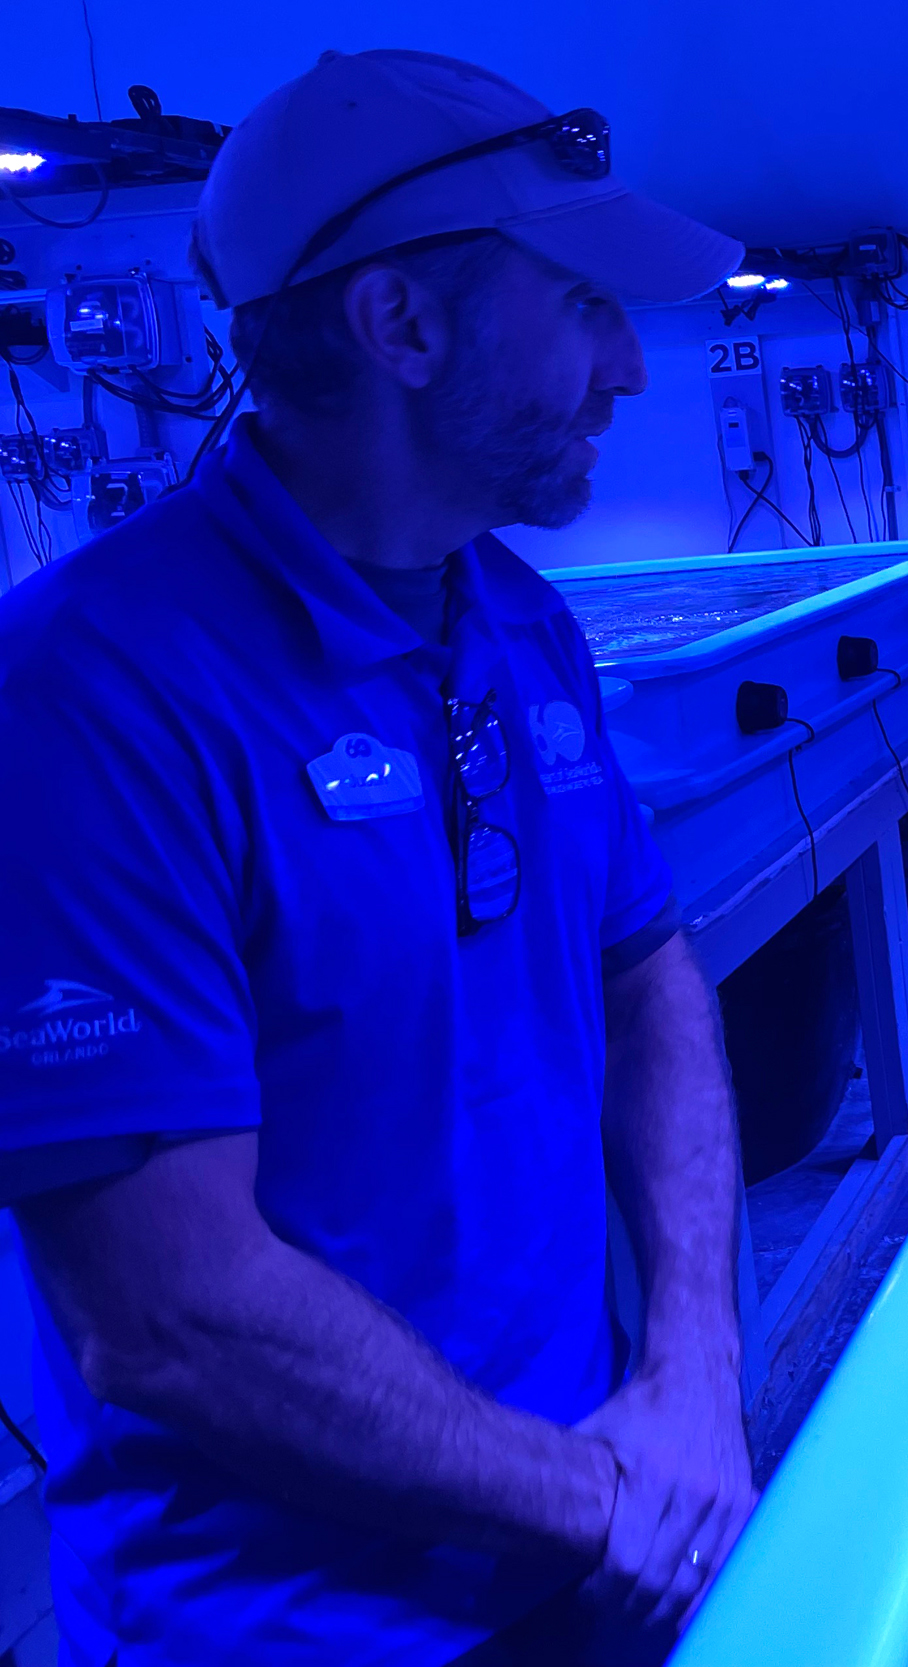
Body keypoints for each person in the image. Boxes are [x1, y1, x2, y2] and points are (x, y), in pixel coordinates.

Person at [0, 49, 757, 1666]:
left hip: (591, 1536)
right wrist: (595, 1495)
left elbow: (653, 986)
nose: (629, 363)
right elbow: (166, 1311)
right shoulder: (90, 697)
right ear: (400, 328)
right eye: (581, 305)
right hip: (291, 1626)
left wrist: (690, 1376)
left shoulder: (520, 627)